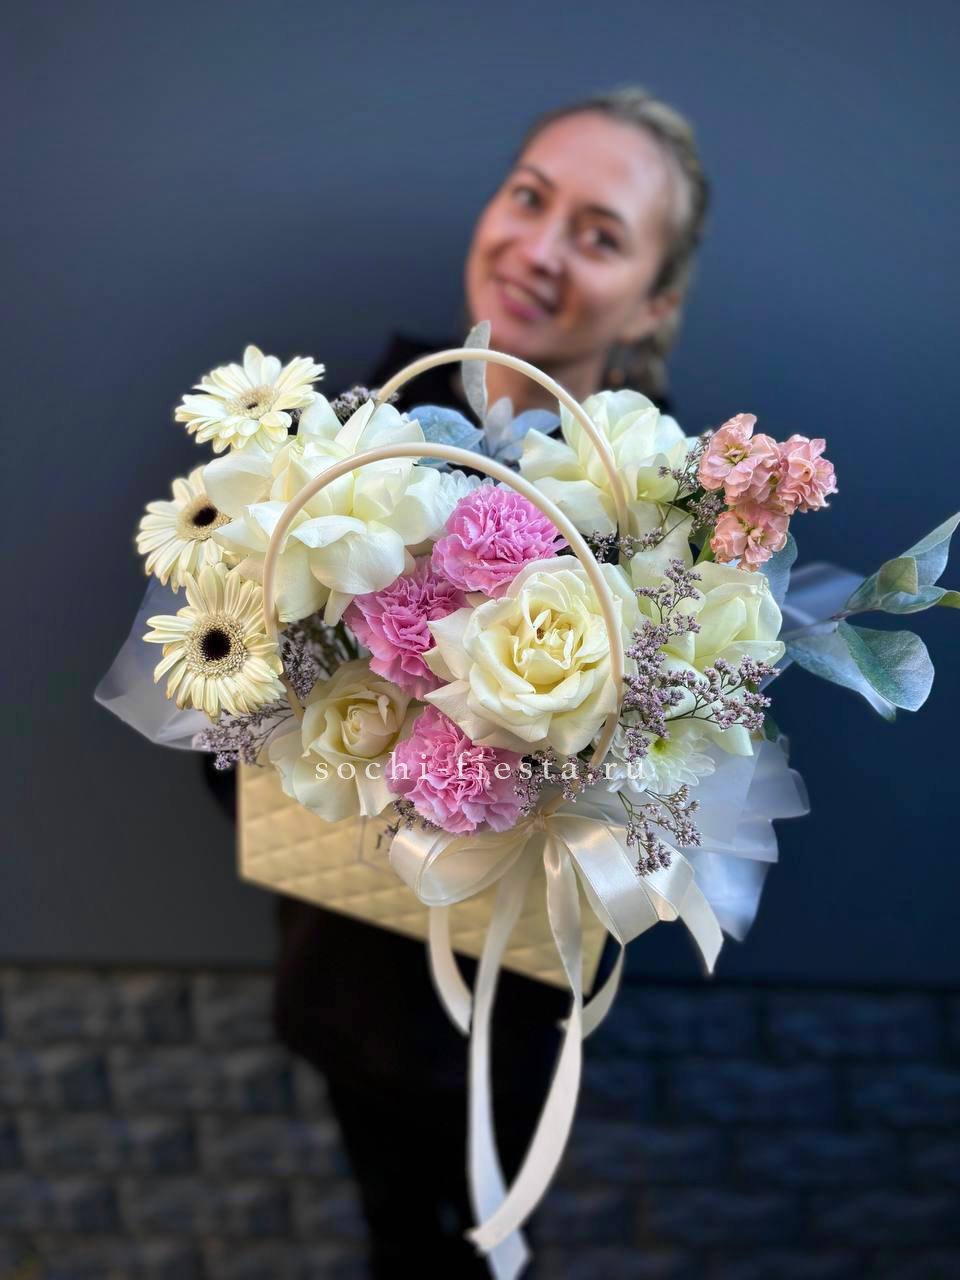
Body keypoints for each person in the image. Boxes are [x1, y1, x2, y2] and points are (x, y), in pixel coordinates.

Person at [272, 85, 711, 1277]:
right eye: (530, 197)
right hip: (347, 972)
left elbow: (685, 790)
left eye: (600, 234)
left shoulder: (679, 515)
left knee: (491, 1244)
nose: (540, 247)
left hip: (519, 1010)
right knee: (392, 1235)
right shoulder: (345, 437)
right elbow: (229, 727)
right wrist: (331, 764)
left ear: (654, 300)